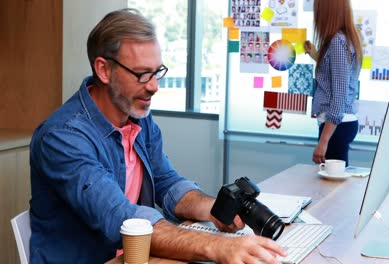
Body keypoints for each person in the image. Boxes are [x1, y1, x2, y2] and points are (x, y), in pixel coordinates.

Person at [29, 8, 286, 264]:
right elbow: (120, 217)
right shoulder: (62, 137)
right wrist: (218, 247)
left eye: (156, 72)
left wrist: (211, 209)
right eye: (142, 74)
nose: (154, 86)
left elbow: (167, 181)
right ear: (104, 70)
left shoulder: (137, 116)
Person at [304, 0, 362, 166]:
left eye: (318, 10)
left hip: (336, 125)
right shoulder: (349, 37)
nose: (316, 16)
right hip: (340, 124)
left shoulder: (337, 42)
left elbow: (339, 95)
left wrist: (323, 142)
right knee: (333, 186)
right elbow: (336, 74)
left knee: (332, 187)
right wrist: (316, 55)